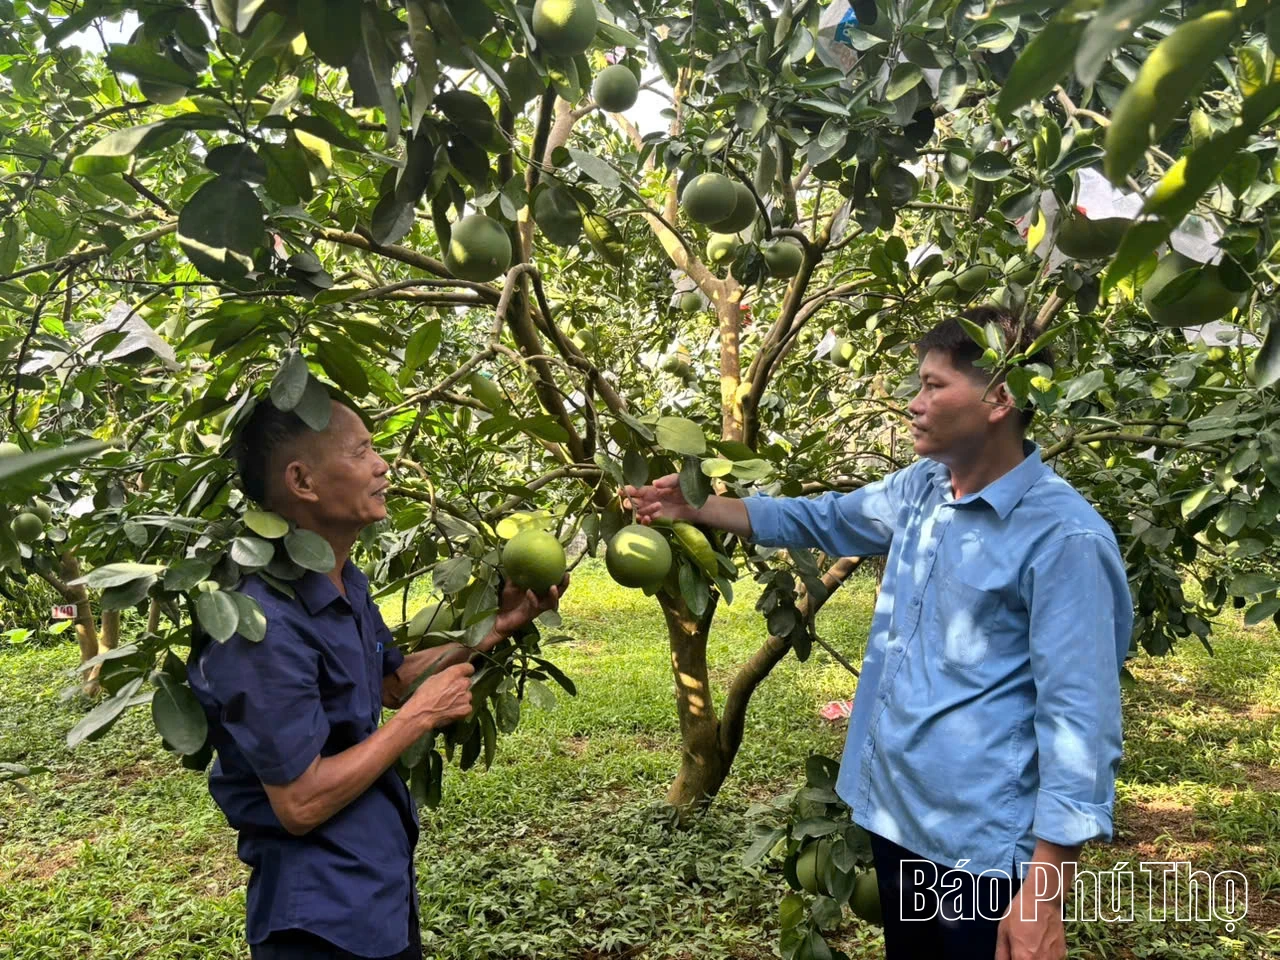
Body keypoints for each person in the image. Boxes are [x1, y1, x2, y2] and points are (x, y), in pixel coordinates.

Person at [627, 306, 1133, 960]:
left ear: (1000, 398)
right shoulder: (924, 488)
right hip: (898, 818)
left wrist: (1045, 891)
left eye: (933, 385)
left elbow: (1080, 721)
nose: (914, 403)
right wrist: (695, 507)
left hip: (977, 849)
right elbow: (825, 519)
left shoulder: (1065, 539)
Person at [188, 397, 568, 960]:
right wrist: (422, 717)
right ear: (303, 481)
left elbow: (389, 684)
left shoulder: (339, 578)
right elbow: (300, 802)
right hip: (318, 919)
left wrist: (492, 631)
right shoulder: (259, 625)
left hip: (374, 888)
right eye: (361, 450)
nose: (382, 464)